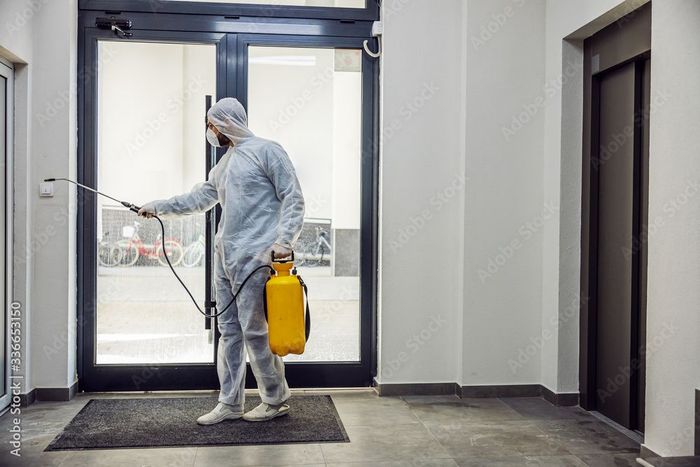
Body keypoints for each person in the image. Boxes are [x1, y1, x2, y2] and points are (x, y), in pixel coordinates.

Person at [138, 97, 305, 425]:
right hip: (226, 257)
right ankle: (230, 402)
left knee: (256, 332)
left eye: (212, 124)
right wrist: (159, 206)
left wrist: (284, 242)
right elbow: (199, 199)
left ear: (227, 122)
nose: (210, 131)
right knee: (228, 331)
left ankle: (275, 399)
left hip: (256, 257)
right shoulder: (224, 165)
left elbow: (293, 196)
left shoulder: (267, 151)